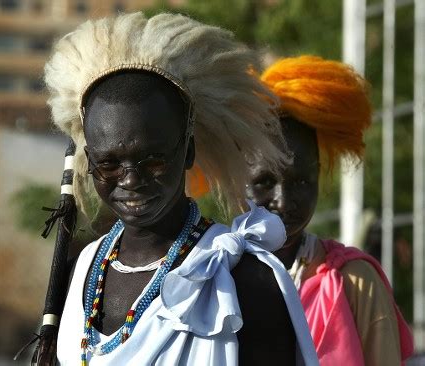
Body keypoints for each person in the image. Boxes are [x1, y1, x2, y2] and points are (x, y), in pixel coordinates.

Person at [40, 13, 318, 365]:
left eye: (152, 160)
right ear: (89, 160)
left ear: (187, 151)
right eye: (109, 164)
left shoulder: (242, 277)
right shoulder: (82, 269)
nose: (130, 180)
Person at [245, 55, 414, 366]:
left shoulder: (356, 284)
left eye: (301, 182)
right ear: (235, 178)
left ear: (319, 175)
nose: (282, 201)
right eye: (265, 181)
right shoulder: (206, 275)